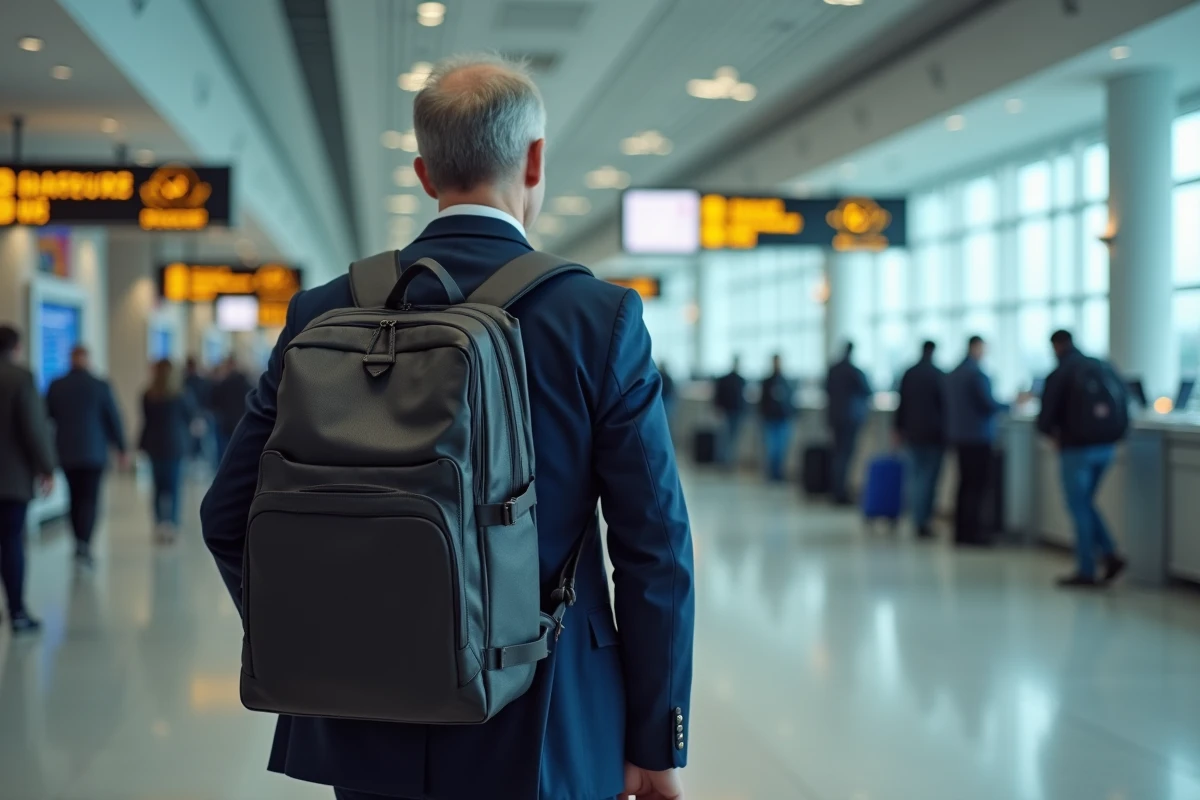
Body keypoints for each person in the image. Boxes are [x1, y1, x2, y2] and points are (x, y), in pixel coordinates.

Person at [200, 55, 693, 800]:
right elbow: (654, 549)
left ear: (425, 171)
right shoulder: (598, 320)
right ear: (534, 160)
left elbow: (227, 514)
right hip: (548, 719)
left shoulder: (325, 313)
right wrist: (655, 738)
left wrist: (331, 636)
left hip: (365, 718)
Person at [1037, 330, 1129, 588]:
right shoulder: (1102, 365)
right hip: (1106, 446)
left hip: (1076, 449)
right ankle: (1109, 554)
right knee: (1086, 504)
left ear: (1056, 346)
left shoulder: (1061, 372)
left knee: (1079, 508)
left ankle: (1087, 569)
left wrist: (1050, 434)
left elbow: (1046, 415)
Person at [45, 345, 128, 566]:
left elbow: (47, 416)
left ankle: (77, 542)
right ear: (87, 359)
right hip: (94, 452)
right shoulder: (100, 385)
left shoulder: (57, 385)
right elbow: (113, 418)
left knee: (74, 498)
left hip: (67, 452)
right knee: (90, 499)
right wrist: (121, 448)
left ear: (71, 359)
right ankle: (85, 542)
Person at [0, 325, 57, 634]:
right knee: (11, 542)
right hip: (10, 480)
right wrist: (47, 467)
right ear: (16, 347)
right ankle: (17, 612)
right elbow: (33, 428)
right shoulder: (21, 378)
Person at [945, 336, 1008, 547]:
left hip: (959, 436)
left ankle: (962, 531)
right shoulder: (976, 374)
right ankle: (974, 532)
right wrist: (1012, 404)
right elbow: (988, 404)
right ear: (975, 347)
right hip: (978, 437)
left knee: (964, 485)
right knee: (977, 486)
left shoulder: (954, 373)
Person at [894, 341, 946, 539]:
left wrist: (898, 428)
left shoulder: (909, 373)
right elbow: (945, 405)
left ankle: (916, 518)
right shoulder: (938, 374)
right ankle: (923, 521)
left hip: (912, 432)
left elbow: (902, 403)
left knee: (915, 477)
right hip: (934, 434)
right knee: (929, 479)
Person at [139, 359, 196, 543]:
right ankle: (171, 524)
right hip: (175, 445)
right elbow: (189, 417)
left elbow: (146, 419)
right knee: (173, 487)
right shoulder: (181, 395)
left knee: (158, 486)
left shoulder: (148, 395)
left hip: (154, 444)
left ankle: (159, 523)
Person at [826, 342, 872, 505]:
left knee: (838, 454)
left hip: (834, 417)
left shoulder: (833, 369)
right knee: (845, 455)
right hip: (850, 419)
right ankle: (841, 492)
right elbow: (867, 390)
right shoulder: (854, 371)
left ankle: (836, 490)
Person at [209, 355, 253, 465]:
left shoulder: (223, 383)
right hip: (241, 423)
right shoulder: (246, 382)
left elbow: (213, 403)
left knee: (224, 455)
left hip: (226, 424)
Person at [759, 353, 795, 483]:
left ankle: (779, 473)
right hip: (770, 419)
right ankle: (771, 474)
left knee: (782, 449)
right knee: (771, 448)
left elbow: (790, 399)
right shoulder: (767, 381)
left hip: (783, 418)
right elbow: (762, 401)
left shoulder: (786, 381)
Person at [713, 356, 747, 467]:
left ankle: (727, 461)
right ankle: (722, 460)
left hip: (737, 411)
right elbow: (719, 396)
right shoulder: (725, 379)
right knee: (725, 437)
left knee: (732, 438)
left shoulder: (741, 380)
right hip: (727, 411)